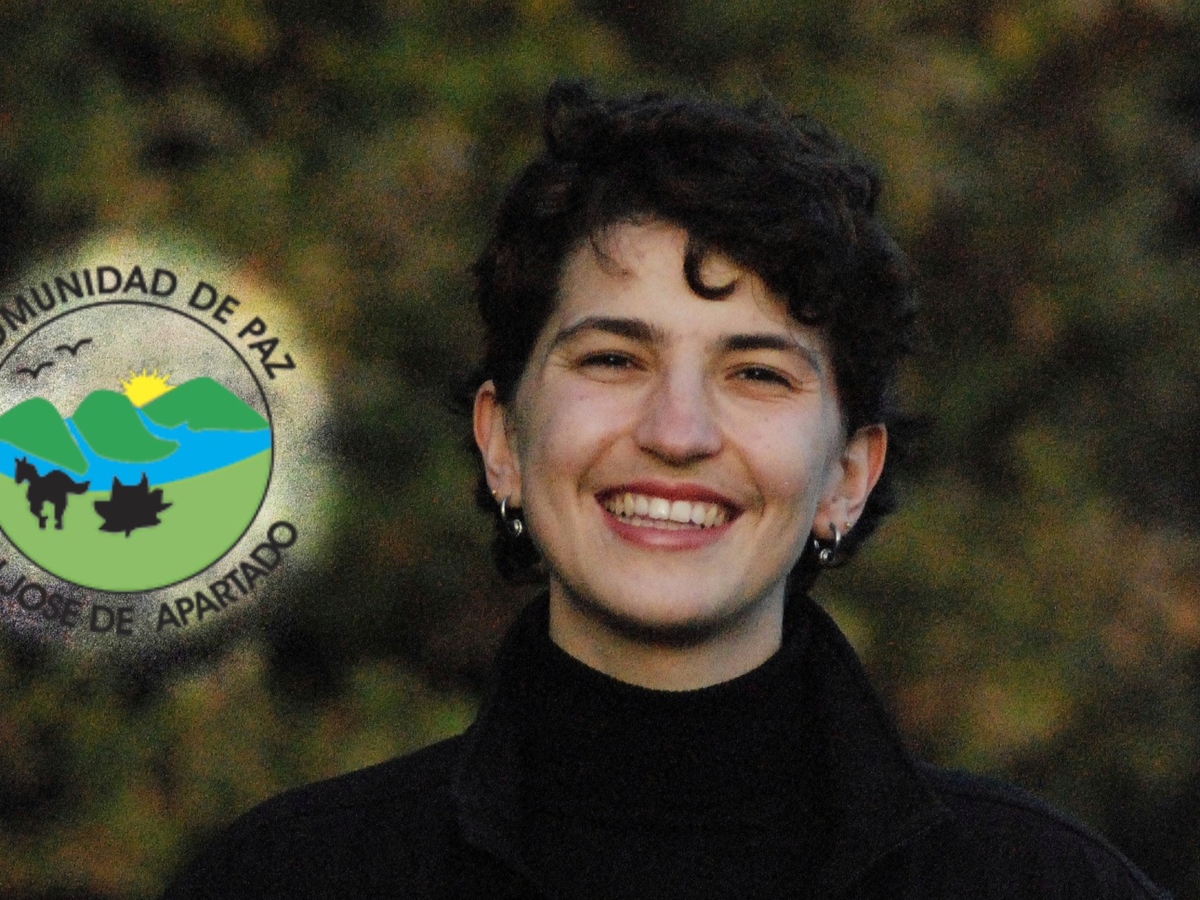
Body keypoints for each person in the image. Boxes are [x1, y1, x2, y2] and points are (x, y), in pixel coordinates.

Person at [161, 82, 1170, 899]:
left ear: (847, 477)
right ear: (502, 439)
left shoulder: (1043, 885)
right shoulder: (289, 879)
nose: (676, 432)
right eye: (613, 358)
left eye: (756, 373)